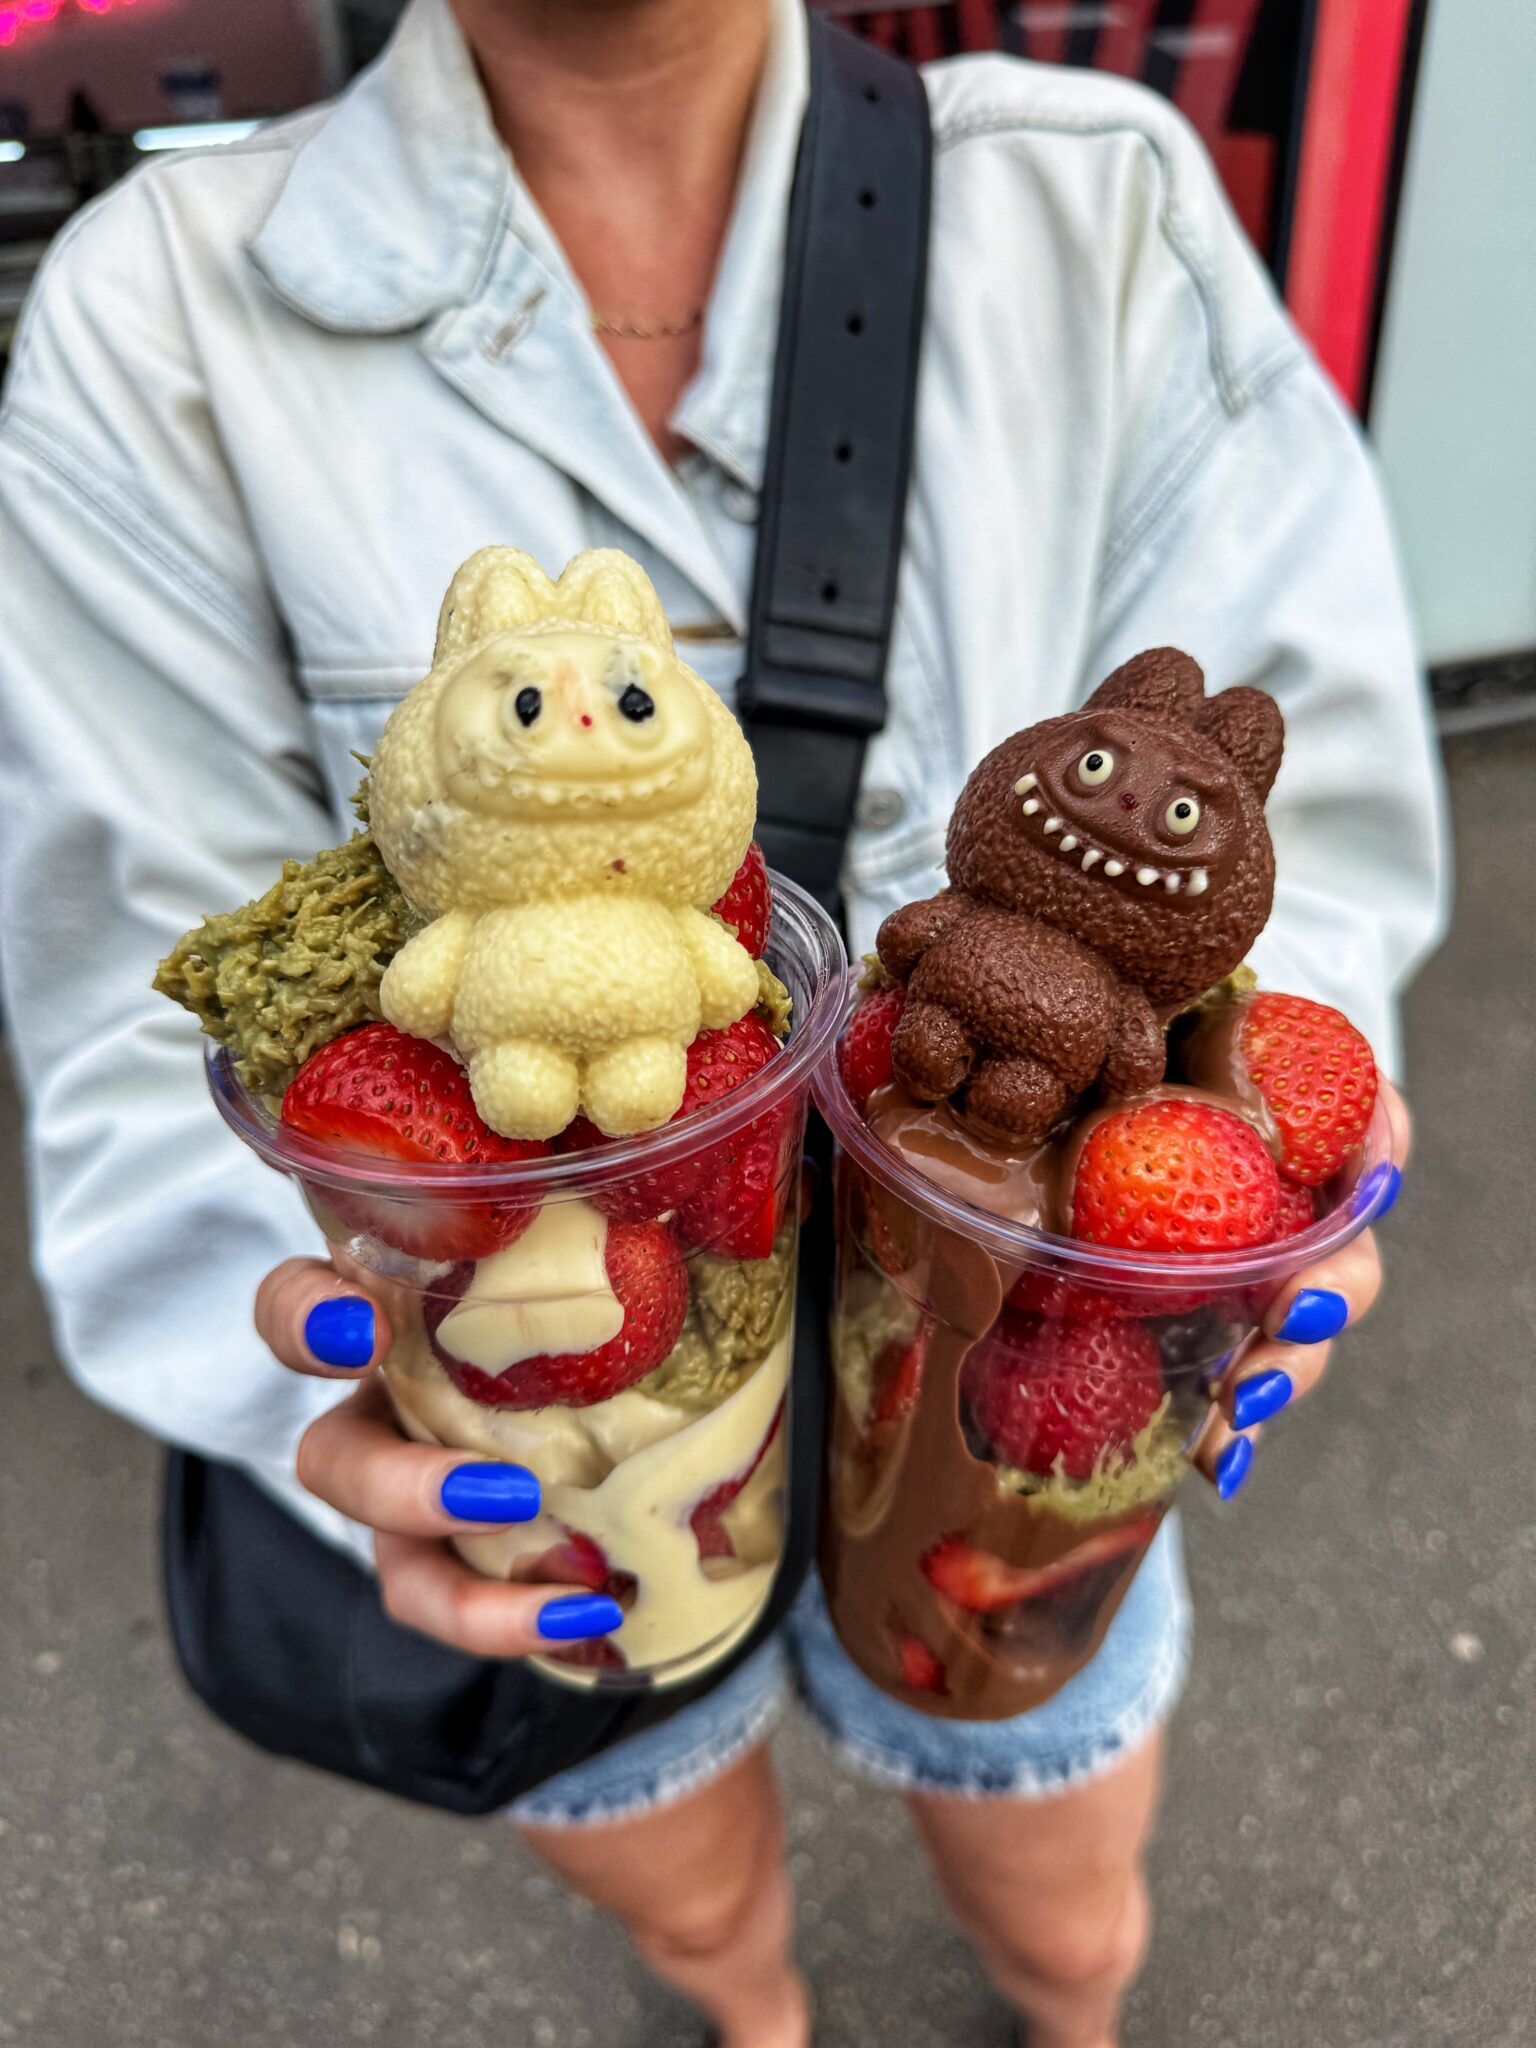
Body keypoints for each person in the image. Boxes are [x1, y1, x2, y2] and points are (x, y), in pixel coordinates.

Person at [0, 3, 1443, 2044]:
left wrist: (1269, 1162)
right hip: (550, 1456)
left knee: (1064, 1904)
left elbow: (1314, 874)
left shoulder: (1097, 204)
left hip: (1024, 1362)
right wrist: (355, 1345)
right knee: (699, 1905)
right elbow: (149, 1010)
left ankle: (1070, 2014)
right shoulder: (157, 314)